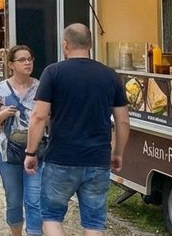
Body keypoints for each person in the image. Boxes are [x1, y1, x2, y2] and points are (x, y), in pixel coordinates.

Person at [25, 24, 129, 236]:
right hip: (98, 159)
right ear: (90, 44)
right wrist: (117, 153)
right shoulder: (110, 75)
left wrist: (30, 152)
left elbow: (39, 116)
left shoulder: (53, 72)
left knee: (51, 217)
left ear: (65, 45)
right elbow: (123, 121)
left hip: (61, 158)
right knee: (94, 223)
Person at [0, 45, 42, 236]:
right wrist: (4, 114)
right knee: (14, 199)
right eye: (22, 60)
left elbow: (50, 117)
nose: (28, 63)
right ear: (11, 64)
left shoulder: (40, 87)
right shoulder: (0, 89)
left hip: (35, 151)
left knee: (34, 200)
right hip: (7, 153)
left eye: (30, 59)